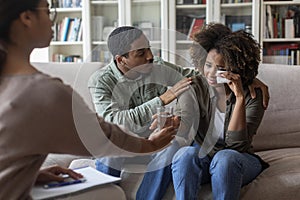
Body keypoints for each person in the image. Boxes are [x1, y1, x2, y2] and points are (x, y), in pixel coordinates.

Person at [0, 0, 179, 199]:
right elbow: (103, 137)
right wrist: (151, 145)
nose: (52, 20)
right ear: (27, 18)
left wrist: (31, 176)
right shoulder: (44, 91)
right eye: (49, 11)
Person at [88, 25, 270, 200]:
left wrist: (247, 77)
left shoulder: (159, 67)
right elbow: (115, 122)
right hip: (125, 143)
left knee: (176, 148)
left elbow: (197, 75)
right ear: (121, 60)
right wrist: (163, 99)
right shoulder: (101, 81)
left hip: (156, 143)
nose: (151, 56)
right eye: (141, 53)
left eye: (149, 49)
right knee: (111, 148)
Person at [171, 23, 269, 200]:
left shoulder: (254, 94)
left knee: (225, 158)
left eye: (221, 68)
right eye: (208, 65)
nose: (212, 74)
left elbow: (236, 146)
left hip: (239, 160)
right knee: (185, 154)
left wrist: (239, 98)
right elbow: (184, 124)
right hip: (205, 158)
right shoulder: (194, 87)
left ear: (236, 69)